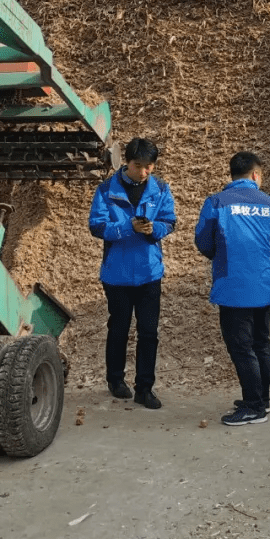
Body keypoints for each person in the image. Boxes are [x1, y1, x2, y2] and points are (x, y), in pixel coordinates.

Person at [194, 151, 270, 426]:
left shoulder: (217, 202)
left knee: (241, 347)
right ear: (256, 175)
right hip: (262, 283)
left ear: (232, 174)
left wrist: (220, 256)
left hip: (233, 285)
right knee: (261, 343)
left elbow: (203, 242)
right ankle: (261, 400)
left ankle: (253, 407)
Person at [88, 138, 176, 408]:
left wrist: (154, 230)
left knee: (149, 332)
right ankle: (115, 380)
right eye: (138, 166)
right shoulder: (105, 190)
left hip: (149, 273)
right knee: (119, 329)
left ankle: (144, 388)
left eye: (149, 167)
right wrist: (129, 227)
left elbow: (169, 221)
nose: (144, 172)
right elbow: (97, 227)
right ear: (126, 162)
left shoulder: (160, 189)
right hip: (117, 275)